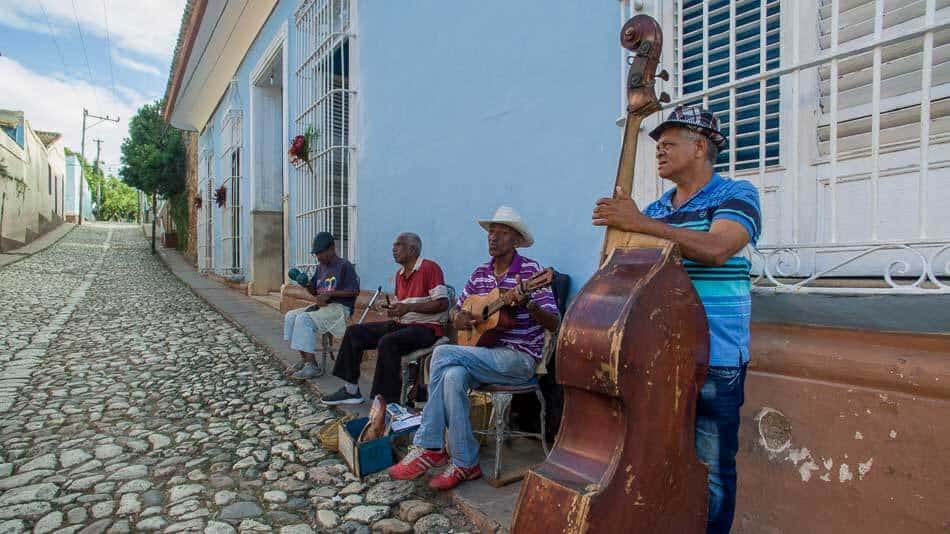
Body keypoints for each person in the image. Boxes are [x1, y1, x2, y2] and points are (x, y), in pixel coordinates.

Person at [591, 105, 762, 534]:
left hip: (716, 357)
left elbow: (718, 247)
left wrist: (641, 223)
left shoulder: (735, 194)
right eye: (657, 146)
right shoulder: (656, 209)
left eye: (669, 144)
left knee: (713, 471)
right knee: (658, 462)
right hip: (659, 357)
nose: (660, 153)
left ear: (700, 146)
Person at [389, 206, 560, 490]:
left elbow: (554, 322)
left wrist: (527, 302)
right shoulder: (480, 273)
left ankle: (429, 443)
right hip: (482, 355)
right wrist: (463, 318)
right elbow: (456, 313)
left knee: (442, 353)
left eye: (502, 233)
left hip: (519, 360)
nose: (492, 238)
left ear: (516, 240)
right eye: (491, 232)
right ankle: (465, 462)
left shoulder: (532, 272)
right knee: (453, 375)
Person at [322, 232, 450, 405]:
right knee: (354, 332)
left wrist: (408, 307)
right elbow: (402, 306)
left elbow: (442, 303)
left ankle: (388, 402)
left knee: (388, 342)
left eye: (398, 245)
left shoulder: (429, 268)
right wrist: (392, 309)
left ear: (412, 249)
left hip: (426, 328)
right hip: (402, 325)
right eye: (393, 246)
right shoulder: (399, 274)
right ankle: (351, 390)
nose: (393, 249)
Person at [283, 232, 360, 380]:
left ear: (332, 248)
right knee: (291, 316)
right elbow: (315, 291)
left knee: (304, 319)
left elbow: (354, 291)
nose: (318, 257)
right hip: (324, 308)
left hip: (340, 309)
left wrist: (331, 294)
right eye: (316, 253)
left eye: (321, 252)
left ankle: (313, 367)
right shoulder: (321, 268)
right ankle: (306, 360)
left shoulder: (345, 265)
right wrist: (305, 283)